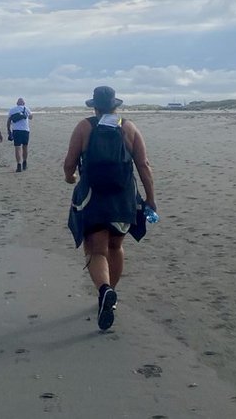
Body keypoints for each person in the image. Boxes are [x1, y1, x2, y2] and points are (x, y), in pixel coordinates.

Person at [62, 86, 156, 331]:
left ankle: (104, 291)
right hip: (123, 196)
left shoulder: (85, 127)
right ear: (116, 105)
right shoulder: (128, 127)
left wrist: (70, 177)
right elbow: (143, 165)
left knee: (96, 249)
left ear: (94, 106)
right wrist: (150, 198)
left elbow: (69, 164)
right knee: (116, 246)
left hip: (93, 196)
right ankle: (110, 296)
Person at [6, 97, 33, 172]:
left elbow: (9, 121)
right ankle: (24, 162)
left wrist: (8, 130)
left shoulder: (12, 110)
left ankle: (19, 165)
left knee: (17, 148)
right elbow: (31, 117)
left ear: (17, 103)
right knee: (25, 147)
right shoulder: (26, 109)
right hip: (25, 130)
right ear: (23, 103)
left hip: (16, 131)